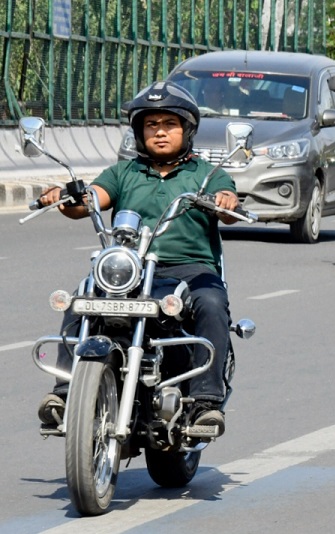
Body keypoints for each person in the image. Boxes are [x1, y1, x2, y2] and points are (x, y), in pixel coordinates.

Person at [37, 81, 242, 437]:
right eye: (151, 125)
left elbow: (227, 202)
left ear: (187, 130)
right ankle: (65, 394)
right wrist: (63, 196)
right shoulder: (125, 173)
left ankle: (206, 403)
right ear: (139, 131)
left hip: (190, 270)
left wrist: (225, 200)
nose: (160, 132)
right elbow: (91, 199)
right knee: (82, 296)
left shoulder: (205, 174)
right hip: (129, 270)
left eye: (169, 124)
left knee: (211, 303)